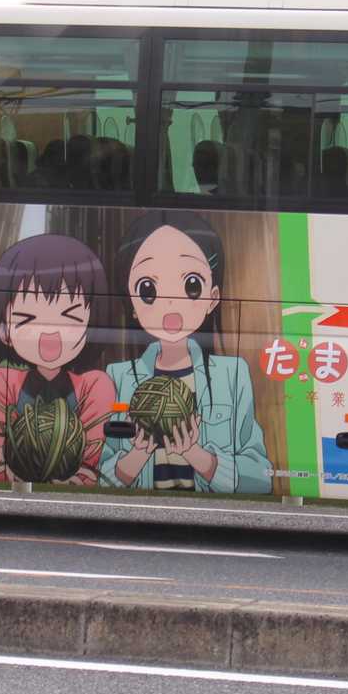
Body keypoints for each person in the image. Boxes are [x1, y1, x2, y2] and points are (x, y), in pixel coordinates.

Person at [99, 210, 272, 494]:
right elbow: (98, 479)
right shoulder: (118, 376)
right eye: (148, 289)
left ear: (213, 298)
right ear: (132, 303)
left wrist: (195, 454)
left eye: (192, 285)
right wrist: (138, 454)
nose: (170, 304)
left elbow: (261, 478)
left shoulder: (232, 374)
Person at [0, 234, 116, 484]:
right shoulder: (0, 382)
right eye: (27, 319)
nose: (50, 335)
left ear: (92, 325)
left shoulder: (95, 386)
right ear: (4, 330)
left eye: (71, 318)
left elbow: (90, 462)